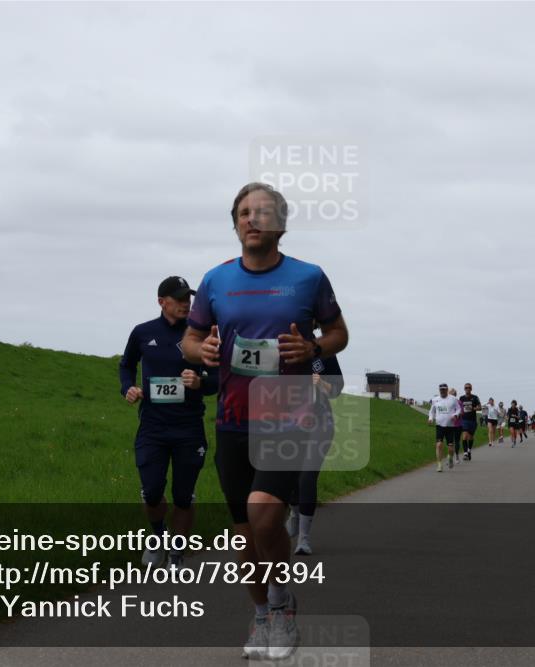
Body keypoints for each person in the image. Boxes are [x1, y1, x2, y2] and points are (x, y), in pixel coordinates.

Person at [182, 183, 348, 661]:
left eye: (263, 213)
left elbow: (339, 332)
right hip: (233, 419)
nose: (252, 219)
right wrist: (203, 349)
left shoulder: (308, 277)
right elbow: (191, 340)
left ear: (280, 223)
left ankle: (280, 608)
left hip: (289, 414)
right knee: (243, 536)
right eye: (243, 213)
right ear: (234, 223)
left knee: (264, 511)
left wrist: (314, 348)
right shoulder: (215, 281)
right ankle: (264, 612)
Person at [119, 276, 218, 570]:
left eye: (189, 299)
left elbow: (218, 379)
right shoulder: (142, 333)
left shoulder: (200, 336)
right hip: (152, 426)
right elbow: (126, 365)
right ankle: (159, 537)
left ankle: (177, 553)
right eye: (179, 299)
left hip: (188, 426)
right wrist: (128, 388)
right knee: (151, 492)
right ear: (162, 302)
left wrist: (200, 381)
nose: (186, 304)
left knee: (183, 497)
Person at [286, 346, 345, 555]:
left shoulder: (324, 352)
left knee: (307, 477)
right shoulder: (283, 349)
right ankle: (294, 513)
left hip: (320, 422)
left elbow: (337, 388)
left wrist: (322, 384)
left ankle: (303, 538)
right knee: (290, 477)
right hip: (290, 422)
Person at [427, 383, 462, 470]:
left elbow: (459, 409)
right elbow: (432, 411)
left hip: (450, 426)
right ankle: (439, 464)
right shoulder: (435, 400)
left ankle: (450, 458)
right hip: (439, 425)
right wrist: (430, 418)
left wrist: (455, 415)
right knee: (439, 445)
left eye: (444, 389)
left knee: (450, 448)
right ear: (439, 390)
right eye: (441, 389)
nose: (442, 391)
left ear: (447, 389)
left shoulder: (453, 399)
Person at [458, 383, 482, 460]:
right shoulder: (461, 398)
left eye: (469, 387)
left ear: (471, 389)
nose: (467, 389)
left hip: (472, 420)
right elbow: (458, 407)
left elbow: (480, 407)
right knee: (464, 435)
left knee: (471, 437)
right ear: (464, 389)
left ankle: (469, 450)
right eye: (466, 388)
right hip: (464, 419)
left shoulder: (475, 398)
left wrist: (473, 409)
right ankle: (465, 453)